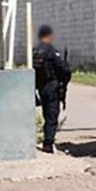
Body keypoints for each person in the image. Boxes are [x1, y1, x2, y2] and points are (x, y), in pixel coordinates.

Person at [32, 25, 71, 154]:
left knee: (46, 114)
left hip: (41, 88)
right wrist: (64, 81)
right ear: (49, 36)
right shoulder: (51, 51)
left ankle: (46, 140)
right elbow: (64, 70)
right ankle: (48, 144)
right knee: (51, 116)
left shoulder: (35, 51)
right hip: (52, 87)